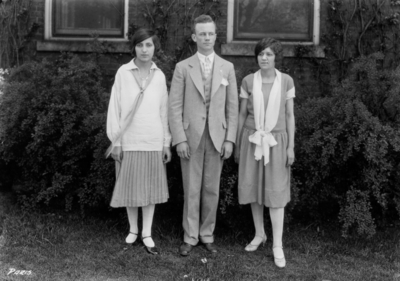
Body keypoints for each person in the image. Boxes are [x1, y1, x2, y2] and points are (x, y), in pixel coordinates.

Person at [168, 14, 238, 256]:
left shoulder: (227, 68)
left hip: (217, 137)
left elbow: (232, 108)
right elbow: (174, 106)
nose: (207, 38)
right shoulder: (183, 67)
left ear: (216, 36)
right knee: (191, 188)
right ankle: (190, 236)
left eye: (211, 33)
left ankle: (207, 234)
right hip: (191, 137)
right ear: (194, 37)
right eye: (202, 34)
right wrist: (179, 138)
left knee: (211, 188)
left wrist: (230, 138)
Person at [106, 28, 171, 255]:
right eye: (140, 45)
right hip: (129, 140)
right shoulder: (123, 73)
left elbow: (164, 112)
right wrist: (116, 141)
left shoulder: (160, 76)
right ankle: (133, 229)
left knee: (150, 189)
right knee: (131, 188)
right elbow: (115, 107)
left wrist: (165, 142)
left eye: (149, 45)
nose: (145, 50)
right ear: (134, 47)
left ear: (155, 48)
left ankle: (147, 232)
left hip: (152, 141)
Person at [234, 37, 295, 268]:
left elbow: (289, 116)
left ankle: (277, 244)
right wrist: (238, 143)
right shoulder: (249, 81)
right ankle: (260, 234)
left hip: (277, 142)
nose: (264, 58)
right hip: (252, 140)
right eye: (261, 54)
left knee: (276, 194)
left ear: (276, 57)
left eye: (269, 54)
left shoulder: (286, 81)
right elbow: (241, 114)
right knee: (254, 190)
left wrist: (291, 146)